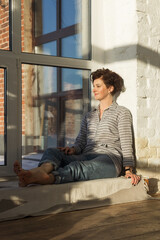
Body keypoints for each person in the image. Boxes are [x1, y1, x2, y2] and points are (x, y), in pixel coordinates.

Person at [14, 68, 141, 187]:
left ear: (110, 88)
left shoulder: (122, 112)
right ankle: (39, 172)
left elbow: (126, 142)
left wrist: (128, 170)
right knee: (52, 152)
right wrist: (73, 150)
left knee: (77, 167)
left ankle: (46, 178)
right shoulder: (89, 115)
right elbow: (81, 141)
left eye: (98, 86)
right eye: (93, 86)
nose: (94, 89)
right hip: (87, 154)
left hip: (109, 160)